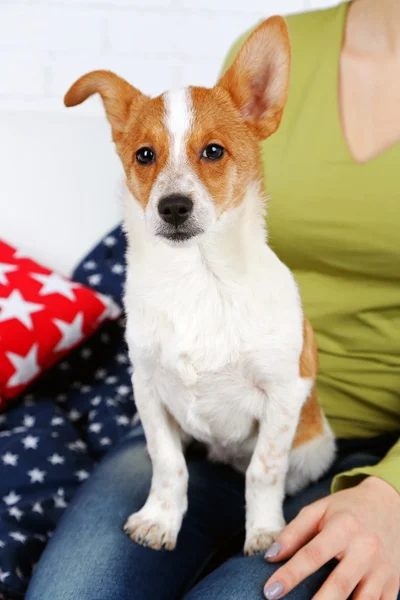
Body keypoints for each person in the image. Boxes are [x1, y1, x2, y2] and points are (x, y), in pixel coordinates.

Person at [26, 0, 400, 598]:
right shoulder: (270, 47)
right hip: (196, 416)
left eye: (211, 154)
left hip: (365, 451)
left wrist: (394, 493)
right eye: (147, 157)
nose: (177, 187)